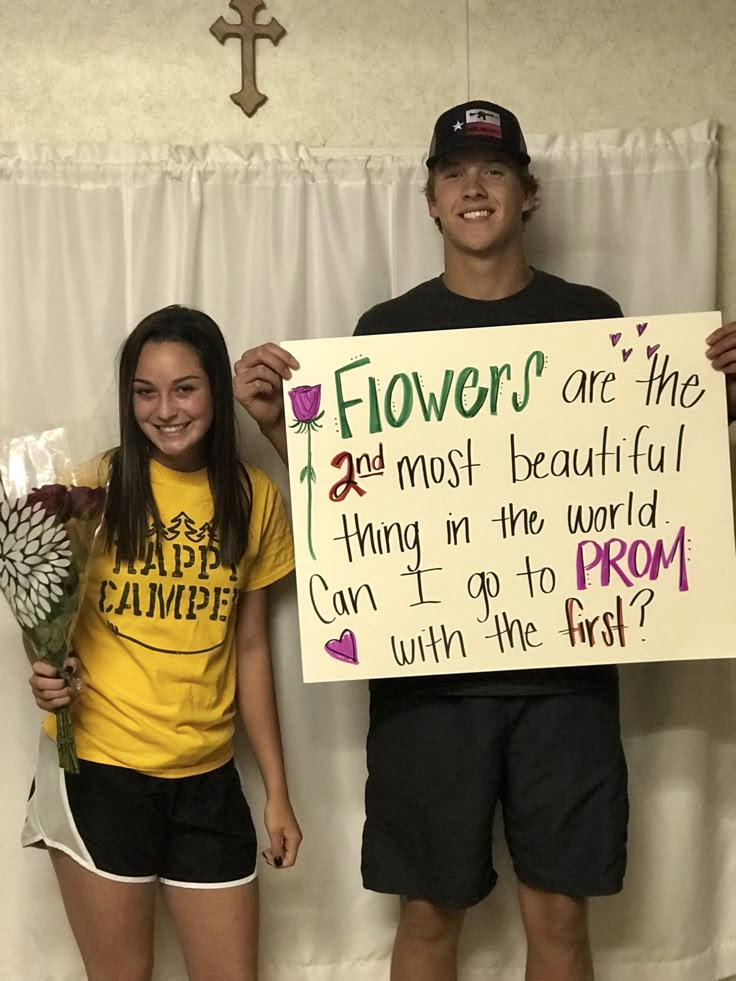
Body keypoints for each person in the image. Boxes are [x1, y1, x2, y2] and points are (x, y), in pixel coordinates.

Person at [232, 101, 736, 981]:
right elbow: (360, 505)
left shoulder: (594, 320)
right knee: (428, 913)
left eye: (495, 170)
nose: (474, 186)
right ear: (429, 197)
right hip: (428, 682)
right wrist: (283, 432)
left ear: (528, 194)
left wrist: (705, 411)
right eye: (455, 171)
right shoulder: (381, 337)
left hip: (567, 680)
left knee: (559, 912)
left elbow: (636, 479)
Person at [25, 305, 301, 981]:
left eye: (185, 387)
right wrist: (48, 673)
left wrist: (276, 789)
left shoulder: (252, 495)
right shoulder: (92, 487)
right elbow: (48, 623)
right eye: (145, 390)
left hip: (208, 776)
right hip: (98, 769)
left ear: (216, 388)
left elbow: (253, 648)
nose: (165, 408)